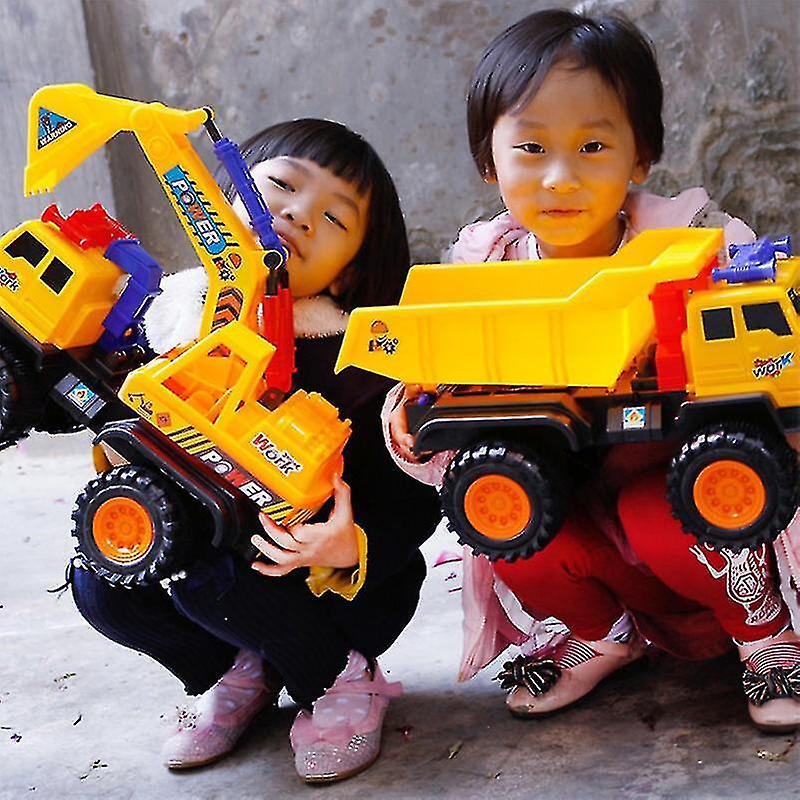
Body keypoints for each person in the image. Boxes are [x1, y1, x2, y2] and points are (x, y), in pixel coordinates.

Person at [387, 9, 800, 733]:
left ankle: (765, 634)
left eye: (594, 144)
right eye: (531, 147)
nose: (560, 176)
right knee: (503, 516)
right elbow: (441, 406)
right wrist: (412, 419)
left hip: (685, 504)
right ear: (489, 161)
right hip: (570, 492)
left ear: (641, 156)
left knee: (673, 507)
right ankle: (602, 635)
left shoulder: (696, 250)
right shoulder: (482, 271)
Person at [70, 118, 440, 782]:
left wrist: (350, 547)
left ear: (352, 270)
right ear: (221, 199)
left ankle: (341, 682)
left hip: (333, 588)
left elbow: (415, 501)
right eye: (281, 186)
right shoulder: (172, 320)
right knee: (102, 582)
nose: (298, 214)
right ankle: (239, 671)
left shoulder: (357, 363)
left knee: (219, 577)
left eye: (334, 218)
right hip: (207, 563)